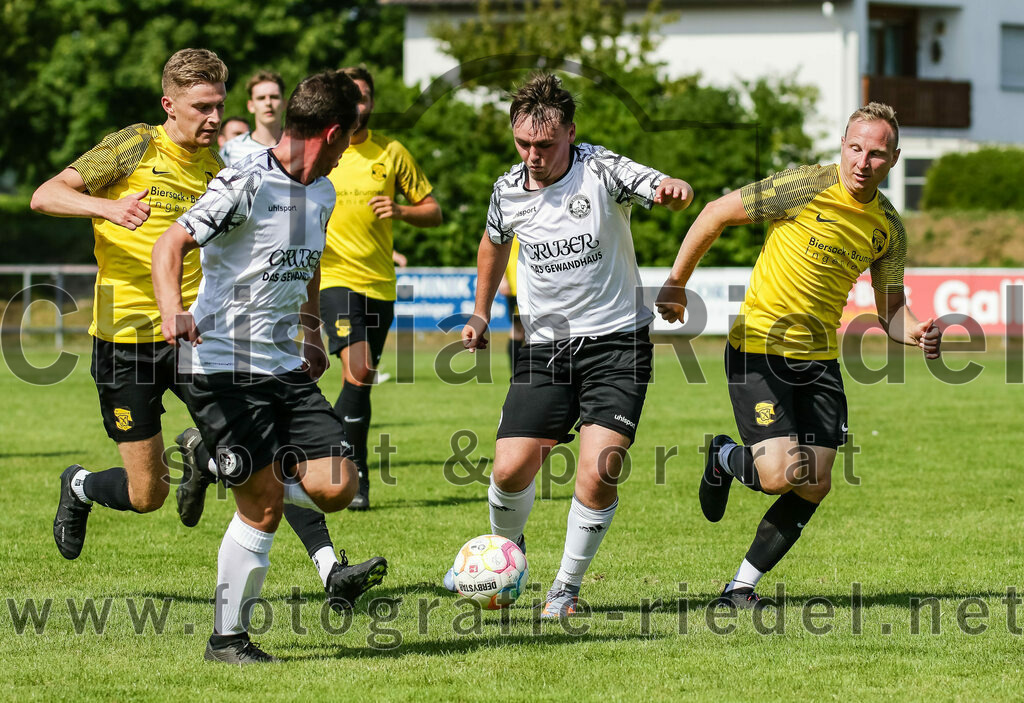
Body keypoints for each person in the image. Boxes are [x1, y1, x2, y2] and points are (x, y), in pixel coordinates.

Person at [655, 102, 942, 608]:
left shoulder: (888, 229)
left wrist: (916, 331)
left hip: (820, 360)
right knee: (778, 475)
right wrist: (676, 283)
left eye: (876, 154)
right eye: (855, 148)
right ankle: (724, 457)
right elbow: (716, 212)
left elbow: (891, 310)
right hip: (760, 347)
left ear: (893, 160)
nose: (862, 162)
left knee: (815, 483)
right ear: (842, 145)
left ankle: (739, 589)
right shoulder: (804, 186)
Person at [452, 73, 693, 618]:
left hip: (618, 345)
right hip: (546, 347)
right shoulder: (507, 189)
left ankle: (565, 589)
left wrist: (669, 189)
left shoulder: (600, 169)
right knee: (510, 470)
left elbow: (655, 183)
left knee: (600, 466)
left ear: (570, 134)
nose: (533, 155)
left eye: (545, 144)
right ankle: (506, 561)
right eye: (523, 143)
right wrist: (481, 310)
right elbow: (493, 245)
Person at [152, 70, 372, 664]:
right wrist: (173, 308)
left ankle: (212, 458)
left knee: (337, 486)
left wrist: (311, 329)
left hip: (282, 364)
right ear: (329, 133)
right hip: (218, 363)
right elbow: (169, 244)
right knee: (265, 503)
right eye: (348, 138)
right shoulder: (245, 182)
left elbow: (309, 262)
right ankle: (228, 639)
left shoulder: (322, 192)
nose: (349, 149)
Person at [31, 48, 228, 561]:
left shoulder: (217, 166)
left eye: (218, 106)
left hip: (190, 332)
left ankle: (204, 459)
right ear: (170, 104)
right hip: (124, 339)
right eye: (202, 107)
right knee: (148, 495)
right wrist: (107, 206)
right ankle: (80, 487)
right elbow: (45, 195)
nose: (213, 118)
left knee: (247, 441)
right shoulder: (135, 145)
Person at [320, 65, 442, 511]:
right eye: (349, 96)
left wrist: (402, 211)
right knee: (359, 370)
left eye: (364, 95)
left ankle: (354, 482)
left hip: (380, 285)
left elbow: (433, 210)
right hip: (333, 279)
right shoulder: (320, 149)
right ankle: (325, 457)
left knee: (361, 383)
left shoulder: (391, 152)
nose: (358, 103)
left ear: (371, 102)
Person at [219, 70, 285, 167]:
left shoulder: (300, 145)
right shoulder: (231, 149)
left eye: (274, 97)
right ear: (251, 106)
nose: (268, 103)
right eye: (261, 98)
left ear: (284, 103)